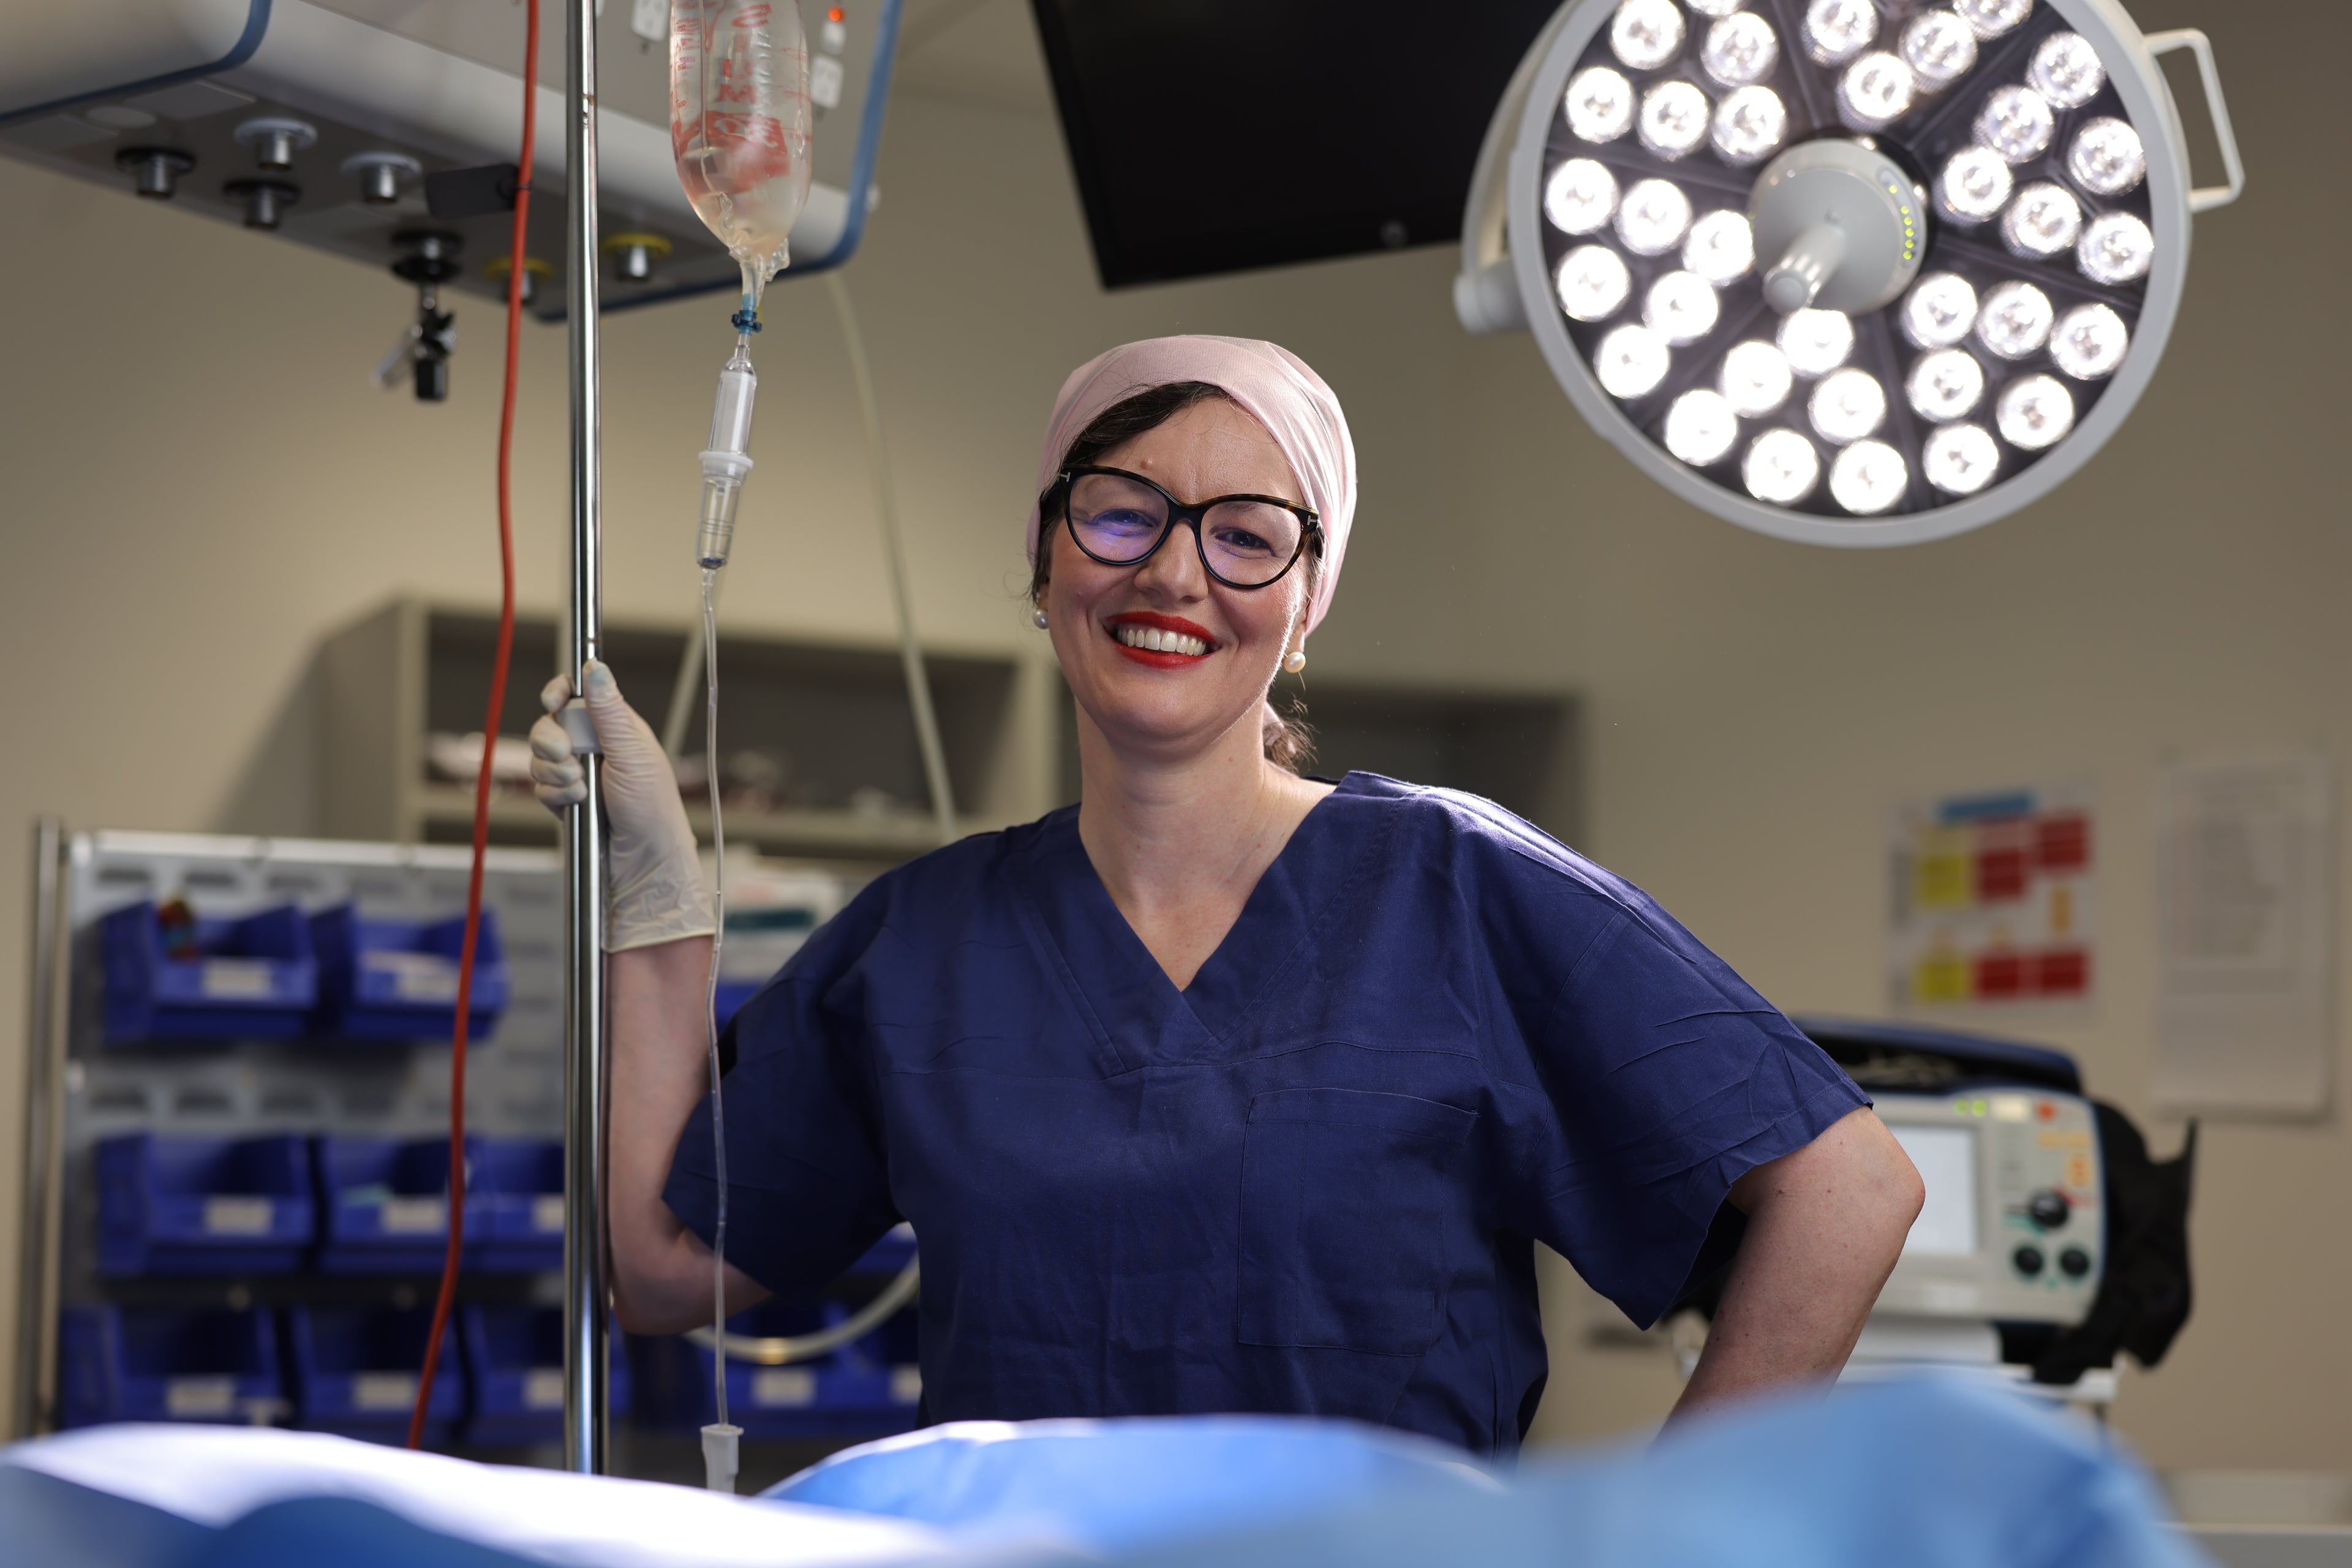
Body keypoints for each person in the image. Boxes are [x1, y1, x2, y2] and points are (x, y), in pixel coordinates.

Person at [528, 335, 1923, 1458]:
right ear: (1046, 560)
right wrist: (658, 906)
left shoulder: (1458, 887)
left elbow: (1849, 1185)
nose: (1175, 569)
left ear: (1308, 602)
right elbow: (663, 1272)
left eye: (1248, 533)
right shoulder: (922, 944)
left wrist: (1663, 1540)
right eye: (1122, 510)